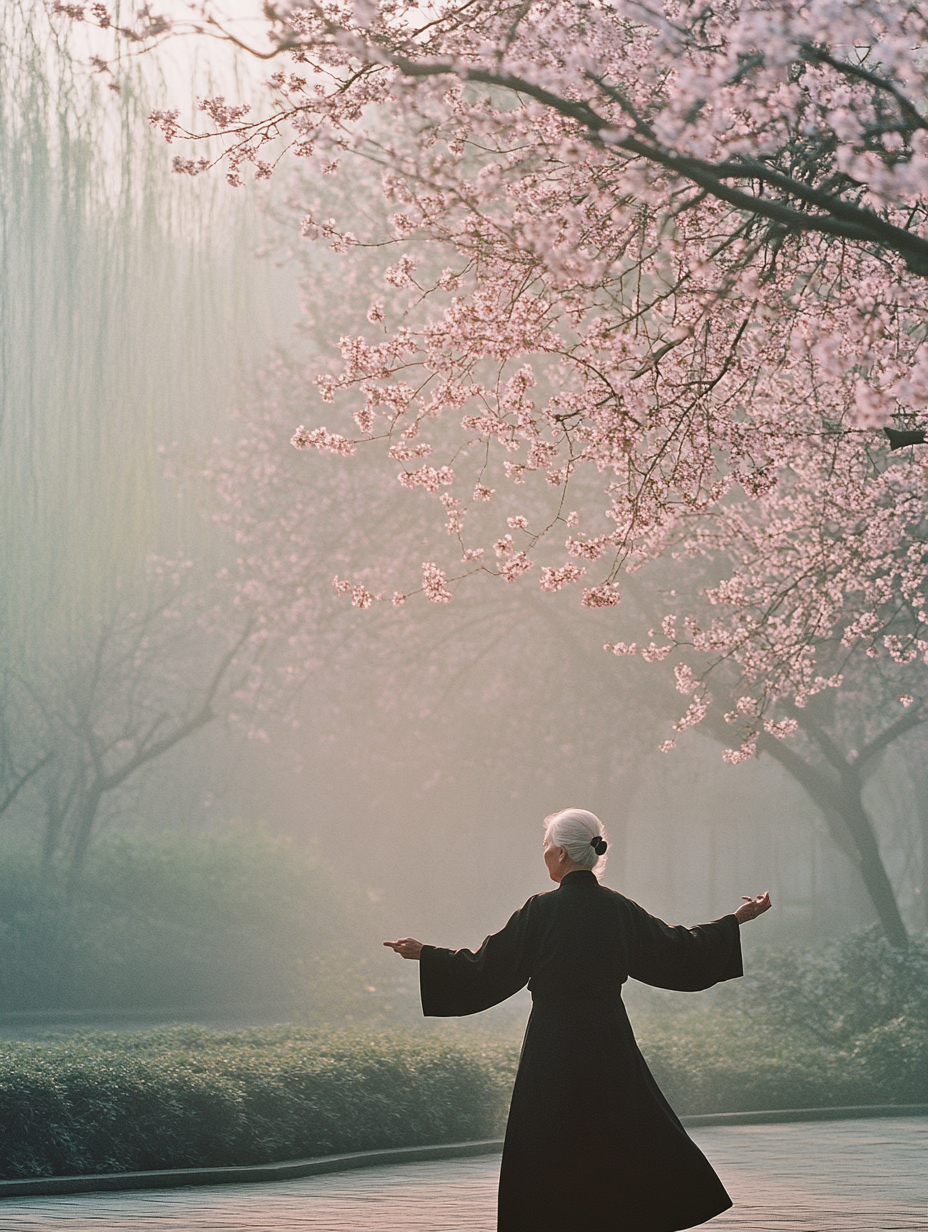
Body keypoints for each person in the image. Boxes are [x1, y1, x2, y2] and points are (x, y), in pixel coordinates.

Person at [384, 807, 771, 1232]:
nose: (545, 856)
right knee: (620, 1136)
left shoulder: (541, 911)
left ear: (563, 855)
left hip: (553, 1046)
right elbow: (679, 949)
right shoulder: (617, 909)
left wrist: (428, 955)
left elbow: (487, 967)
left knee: (549, 1144)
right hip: (609, 1042)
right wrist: (736, 920)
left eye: (547, 848)